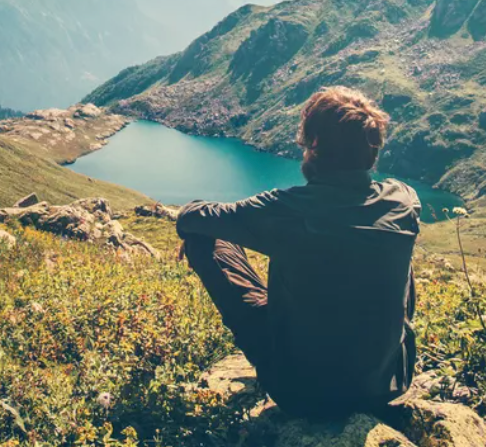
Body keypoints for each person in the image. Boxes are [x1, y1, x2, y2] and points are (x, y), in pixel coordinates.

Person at [176, 86, 420, 420]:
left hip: (302, 391)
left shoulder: (286, 209)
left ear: (315, 145)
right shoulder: (404, 201)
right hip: (388, 384)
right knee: (393, 248)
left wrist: (197, 230)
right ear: (372, 149)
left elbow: (191, 216)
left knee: (206, 237)